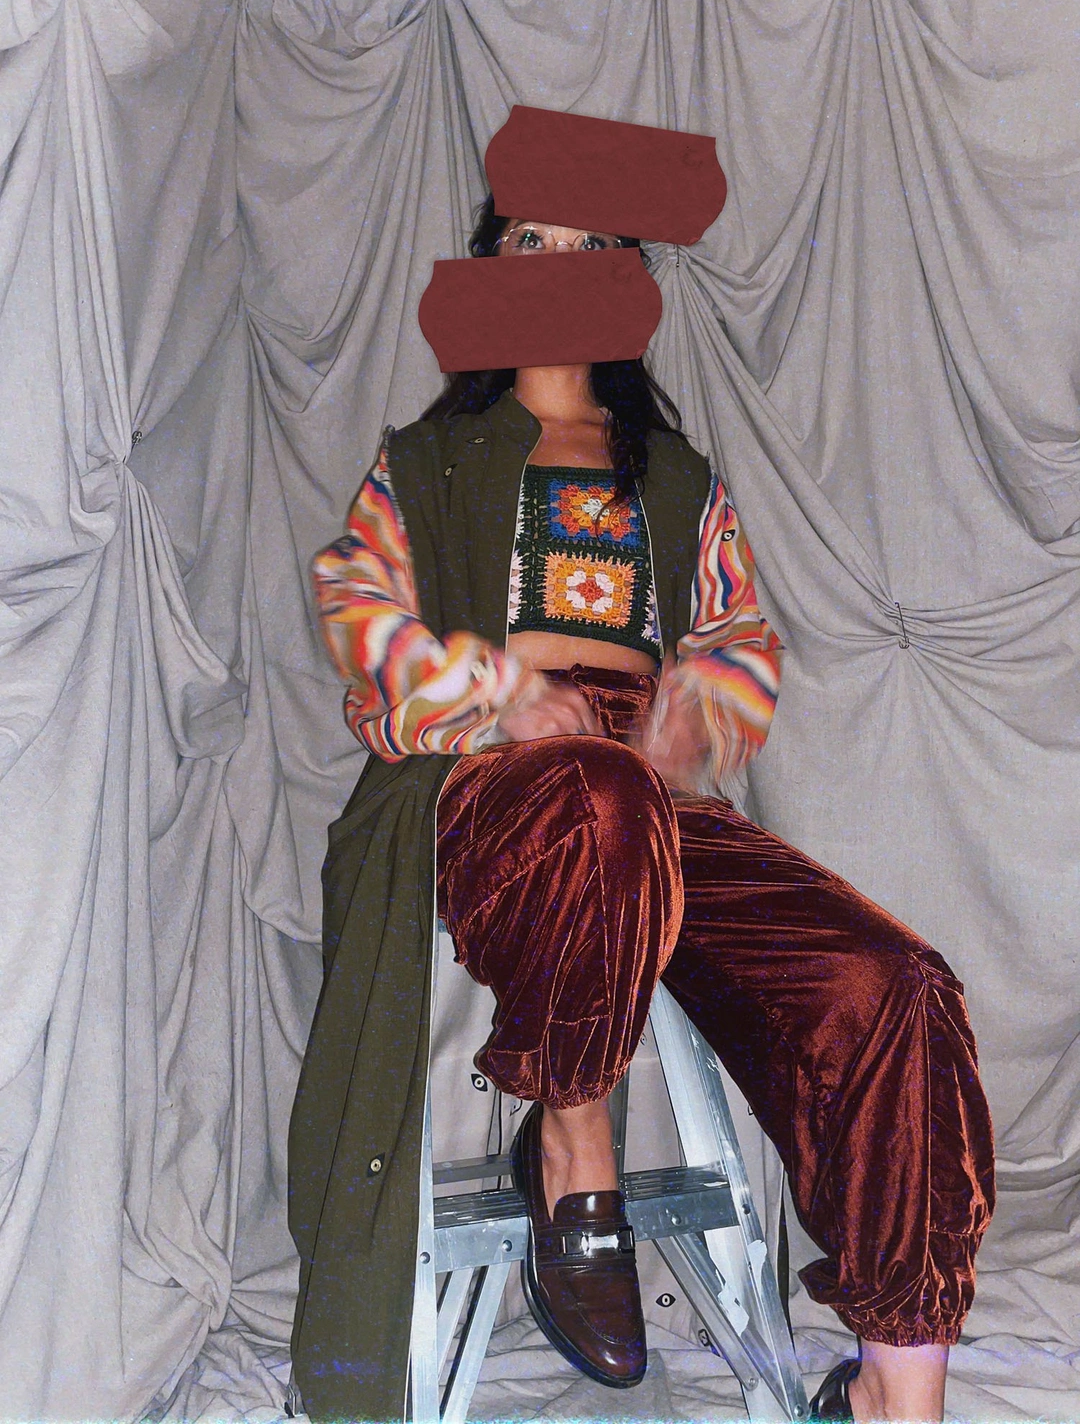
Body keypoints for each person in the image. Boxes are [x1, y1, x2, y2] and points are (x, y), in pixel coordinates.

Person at [289, 199, 995, 1424]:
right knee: (597, 798)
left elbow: (737, 641)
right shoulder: (426, 462)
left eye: (592, 248)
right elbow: (361, 618)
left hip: (643, 795)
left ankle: (897, 1384)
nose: (561, 270)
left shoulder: (673, 475)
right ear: (488, 272)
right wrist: (501, 697)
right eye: (532, 244)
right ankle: (575, 1150)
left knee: (893, 987)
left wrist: (694, 720)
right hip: (485, 783)